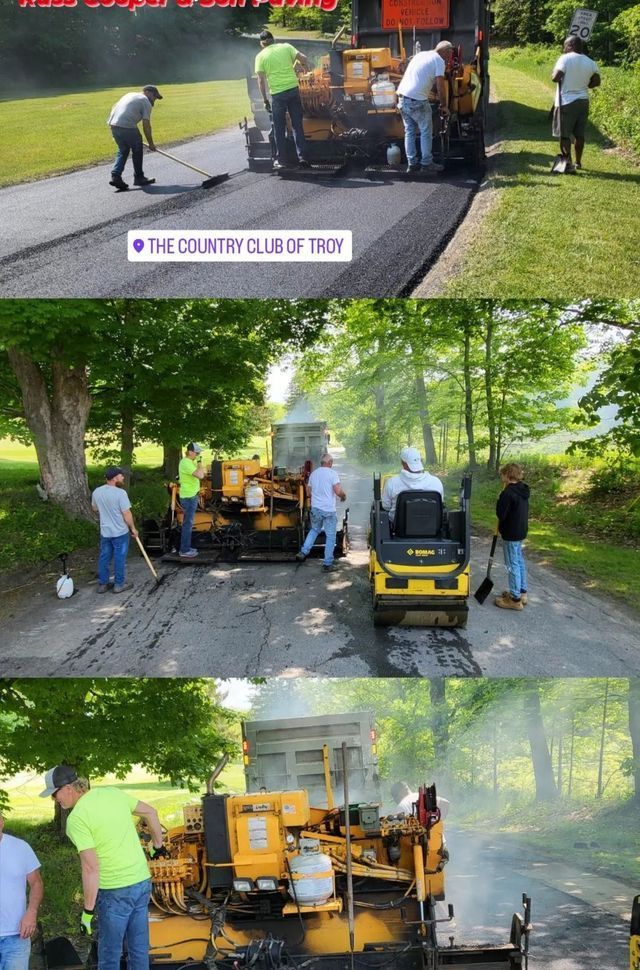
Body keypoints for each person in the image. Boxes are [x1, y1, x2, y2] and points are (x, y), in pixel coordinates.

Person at [39, 765, 168, 970]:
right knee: (139, 950)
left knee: (109, 955)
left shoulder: (77, 819)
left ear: (68, 789)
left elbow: (91, 869)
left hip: (115, 891)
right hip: (142, 883)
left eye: (54, 794)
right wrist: (158, 847)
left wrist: (87, 912)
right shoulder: (111, 793)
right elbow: (151, 812)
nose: (54, 800)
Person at [255, 30, 310, 171]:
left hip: (277, 94)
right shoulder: (286, 46)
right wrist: (302, 64)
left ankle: (282, 160)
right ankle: (303, 157)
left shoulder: (260, 56)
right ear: (273, 39)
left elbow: (261, 81)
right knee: (297, 125)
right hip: (292, 89)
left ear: (262, 43)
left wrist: (265, 100)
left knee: (279, 128)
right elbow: (304, 58)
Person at [396, 40, 452, 174]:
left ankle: (412, 164)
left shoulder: (420, 55)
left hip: (402, 97)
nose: (450, 57)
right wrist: (444, 105)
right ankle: (426, 164)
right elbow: (440, 85)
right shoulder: (439, 60)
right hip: (417, 100)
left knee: (409, 131)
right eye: (450, 53)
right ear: (445, 51)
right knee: (426, 131)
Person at [0, 810, 44, 970]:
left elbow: (36, 883)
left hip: (17, 935)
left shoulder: (20, 848)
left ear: (2, 822)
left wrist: (31, 913)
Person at [551, 36, 600, 172]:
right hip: (583, 101)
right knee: (579, 134)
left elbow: (555, 78)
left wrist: (554, 73)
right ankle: (578, 162)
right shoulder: (590, 62)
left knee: (564, 135)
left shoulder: (565, 58)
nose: (564, 48)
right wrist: (584, 84)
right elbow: (596, 82)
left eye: (565, 45)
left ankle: (567, 164)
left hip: (566, 101)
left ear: (571, 45)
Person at [92, 467, 139, 594]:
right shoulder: (120, 493)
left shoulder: (97, 492)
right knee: (119, 558)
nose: (123, 477)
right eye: (121, 475)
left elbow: (95, 509)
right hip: (120, 532)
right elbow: (127, 513)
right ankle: (119, 584)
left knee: (104, 557)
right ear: (114, 478)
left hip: (105, 532)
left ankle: (103, 584)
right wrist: (133, 528)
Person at [296, 453, 346, 572]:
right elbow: (338, 491)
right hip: (328, 510)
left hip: (316, 509)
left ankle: (303, 552)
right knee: (330, 536)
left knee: (314, 530)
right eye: (332, 463)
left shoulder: (314, 474)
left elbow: (308, 493)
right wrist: (343, 496)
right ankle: (327, 564)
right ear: (330, 463)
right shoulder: (332, 474)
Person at [107, 85, 162, 191]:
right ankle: (139, 177)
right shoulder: (145, 101)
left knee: (123, 150)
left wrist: (114, 125)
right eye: (154, 96)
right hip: (127, 126)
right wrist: (151, 144)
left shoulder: (130, 94)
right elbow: (146, 125)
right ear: (147, 92)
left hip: (113, 124)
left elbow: (115, 107)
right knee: (137, 150)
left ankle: (116, 176)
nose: (154, 100)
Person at [494, 462, 530, 611]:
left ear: (507, 476)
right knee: (519, 560)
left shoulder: (507, 493)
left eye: (502, 474)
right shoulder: (523, 489)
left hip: (511, 533)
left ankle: (515, 599)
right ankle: (522, 592)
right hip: (521, 530)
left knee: (512, 564)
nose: (501, 477)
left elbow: (501, 514)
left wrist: (499, 500)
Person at [381, 447, 443, 525]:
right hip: (431, 529)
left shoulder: (392, 483)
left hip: (399, 530)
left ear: (403, 463)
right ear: (420, 461)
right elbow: (441, 504)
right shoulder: (436, 482)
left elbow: (386, 506)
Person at [178, 443, 206, 559]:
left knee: (188, 523)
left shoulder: (190, 463)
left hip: (191, 495)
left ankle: (187, 547)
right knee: (187, 524)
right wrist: (200, 462)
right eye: (197, 452)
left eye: (199, 453)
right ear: (190, 452)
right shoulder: (185, 463)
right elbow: (201, 475)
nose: (198, 454)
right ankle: (184, 550)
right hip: (188, 497)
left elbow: (202, 474)